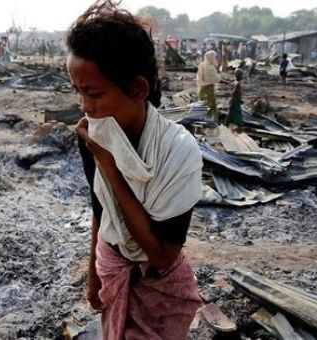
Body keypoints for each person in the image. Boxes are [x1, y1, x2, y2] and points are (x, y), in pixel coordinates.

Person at [67, 1, 202, 338]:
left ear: (138, 90)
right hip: (111, 265)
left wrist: (109, 165)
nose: (84, 106)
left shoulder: (178, 151)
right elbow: (100, 207)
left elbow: (161, 254)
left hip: (158, 286)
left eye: (93, 93)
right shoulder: (94, 135)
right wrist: (93, 274)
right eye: (78, 92)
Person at [196, 50, 220, 122]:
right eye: (214, 57)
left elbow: (198, 77)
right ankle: (213, 121)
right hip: (209, 88)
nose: (215, 59)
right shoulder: (210, 68)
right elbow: (217, 78)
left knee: (203, 104)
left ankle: (203, 119)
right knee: (211, 105)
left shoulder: (201, 65)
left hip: (201, 88)